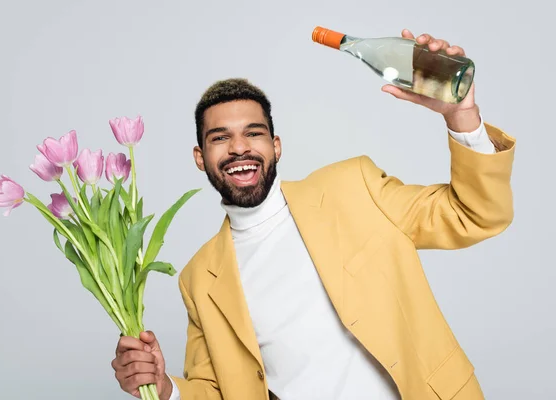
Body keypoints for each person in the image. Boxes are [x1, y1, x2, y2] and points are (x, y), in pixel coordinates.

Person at [111, 29, 515, 400]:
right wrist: (165, 388)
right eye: (220, 138)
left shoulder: (352, 187)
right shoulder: (199, 278)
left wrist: (460, 115)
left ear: (276, 145)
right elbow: (217, 390)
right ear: (201, 158)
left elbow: (476, 214)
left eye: (253, 133)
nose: (238, 148)